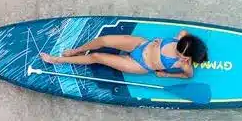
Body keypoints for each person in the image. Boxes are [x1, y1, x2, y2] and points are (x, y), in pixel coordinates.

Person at [39, 29, 208, 78]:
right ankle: (77, 50)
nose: (178, 53)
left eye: (180, 55)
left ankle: (58, 60)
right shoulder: (183, 38)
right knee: (104, 40)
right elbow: (186, 33)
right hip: (142, 44)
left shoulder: (183, 65)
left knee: (97, 57)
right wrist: (158, 41)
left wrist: (166, 75)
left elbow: (188, 76)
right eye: (178, 48)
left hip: (139, 64)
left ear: (188, 58)